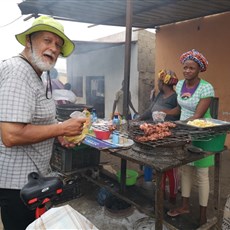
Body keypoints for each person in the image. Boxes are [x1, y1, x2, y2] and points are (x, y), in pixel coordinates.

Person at [0, 15, 86, 230]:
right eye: (47, 40)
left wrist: (58, 134)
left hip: (34, 177)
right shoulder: (17, 71)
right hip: (17, 184)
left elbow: (40, 119)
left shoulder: (39, 75)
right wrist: (62, 127)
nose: (54, 48)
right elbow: (11, 135)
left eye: (58, 44)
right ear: (29, 40)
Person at [167, 49, 215, 226]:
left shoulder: (206, 87)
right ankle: (185, 205)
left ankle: (203, 213)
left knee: (202, 174)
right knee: (185, 169)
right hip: (183, 131)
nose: (187, 71)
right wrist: (164, 114)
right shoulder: (179, 85)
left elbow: (197, 115)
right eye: (185, 67)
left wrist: (174, 127)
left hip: (201, 132)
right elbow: (180, 109)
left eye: (191, 68)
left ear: (199, 69)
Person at [138, 69, 180, 203]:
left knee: (170, 166)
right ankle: (160, 191)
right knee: (157, 163)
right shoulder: (159, 95)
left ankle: (173, 196)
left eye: (159, 81)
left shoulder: (175, 97)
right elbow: (150, 110)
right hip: (154, 132)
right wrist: (138, 119)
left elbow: (177, 115)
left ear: (164, 82)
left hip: (167, 135)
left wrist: (164, 112)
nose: (157, 84)